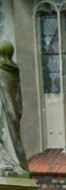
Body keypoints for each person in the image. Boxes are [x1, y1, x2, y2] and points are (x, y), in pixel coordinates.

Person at [0, 40, 29, 177]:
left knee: (5, 136)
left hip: (3, 111)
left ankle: (7, 163)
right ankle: (16, 163)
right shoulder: (12, 70)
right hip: (12, 112)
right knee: (12, 137)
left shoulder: (1, 69)